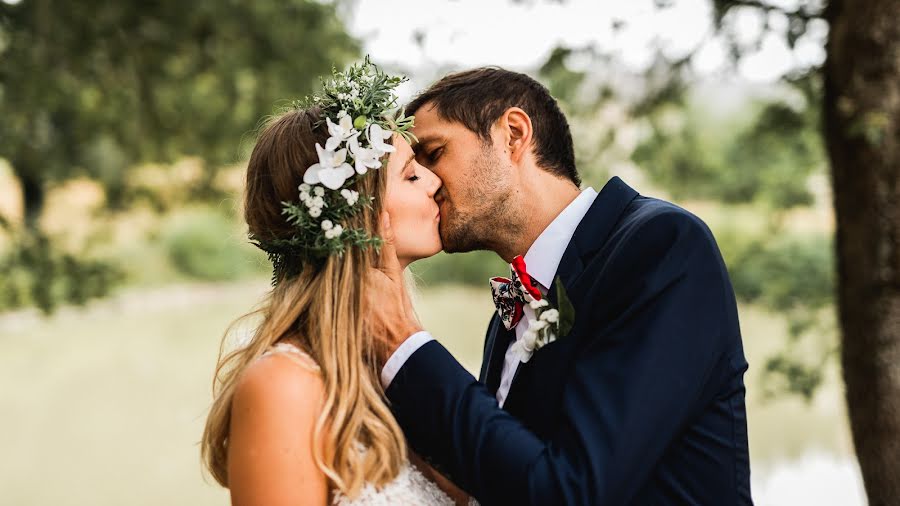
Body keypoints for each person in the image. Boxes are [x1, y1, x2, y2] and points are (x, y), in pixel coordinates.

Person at [368, 67, 753, 505]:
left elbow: (573, 492)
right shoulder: (514, 304)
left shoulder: (661, 246)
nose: (429, 181)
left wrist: (403, 342)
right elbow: (502, 476)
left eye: (434, 153)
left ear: (513, 134)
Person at [200, 60, 467, 505]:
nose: (435, 180)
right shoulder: (283, 386)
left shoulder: (396, 361)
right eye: (410, 174)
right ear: (356, 212)